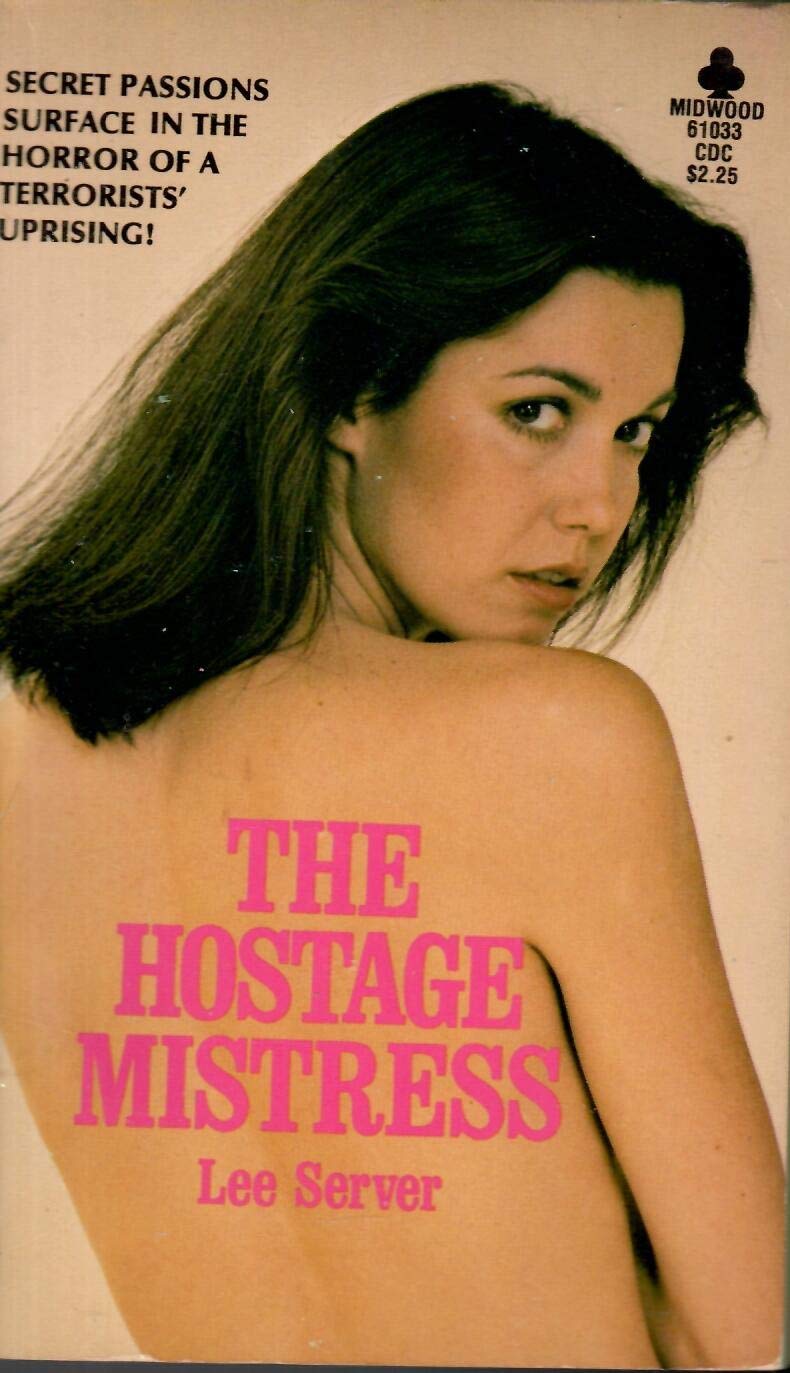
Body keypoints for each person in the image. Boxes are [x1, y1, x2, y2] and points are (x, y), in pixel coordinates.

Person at [0, 82, 783, 1368]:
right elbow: (744, 1327)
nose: (600, 504)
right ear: (350, 385)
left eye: (635, 431)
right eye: (538, 411)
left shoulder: (32, 743)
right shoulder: (555, 735)